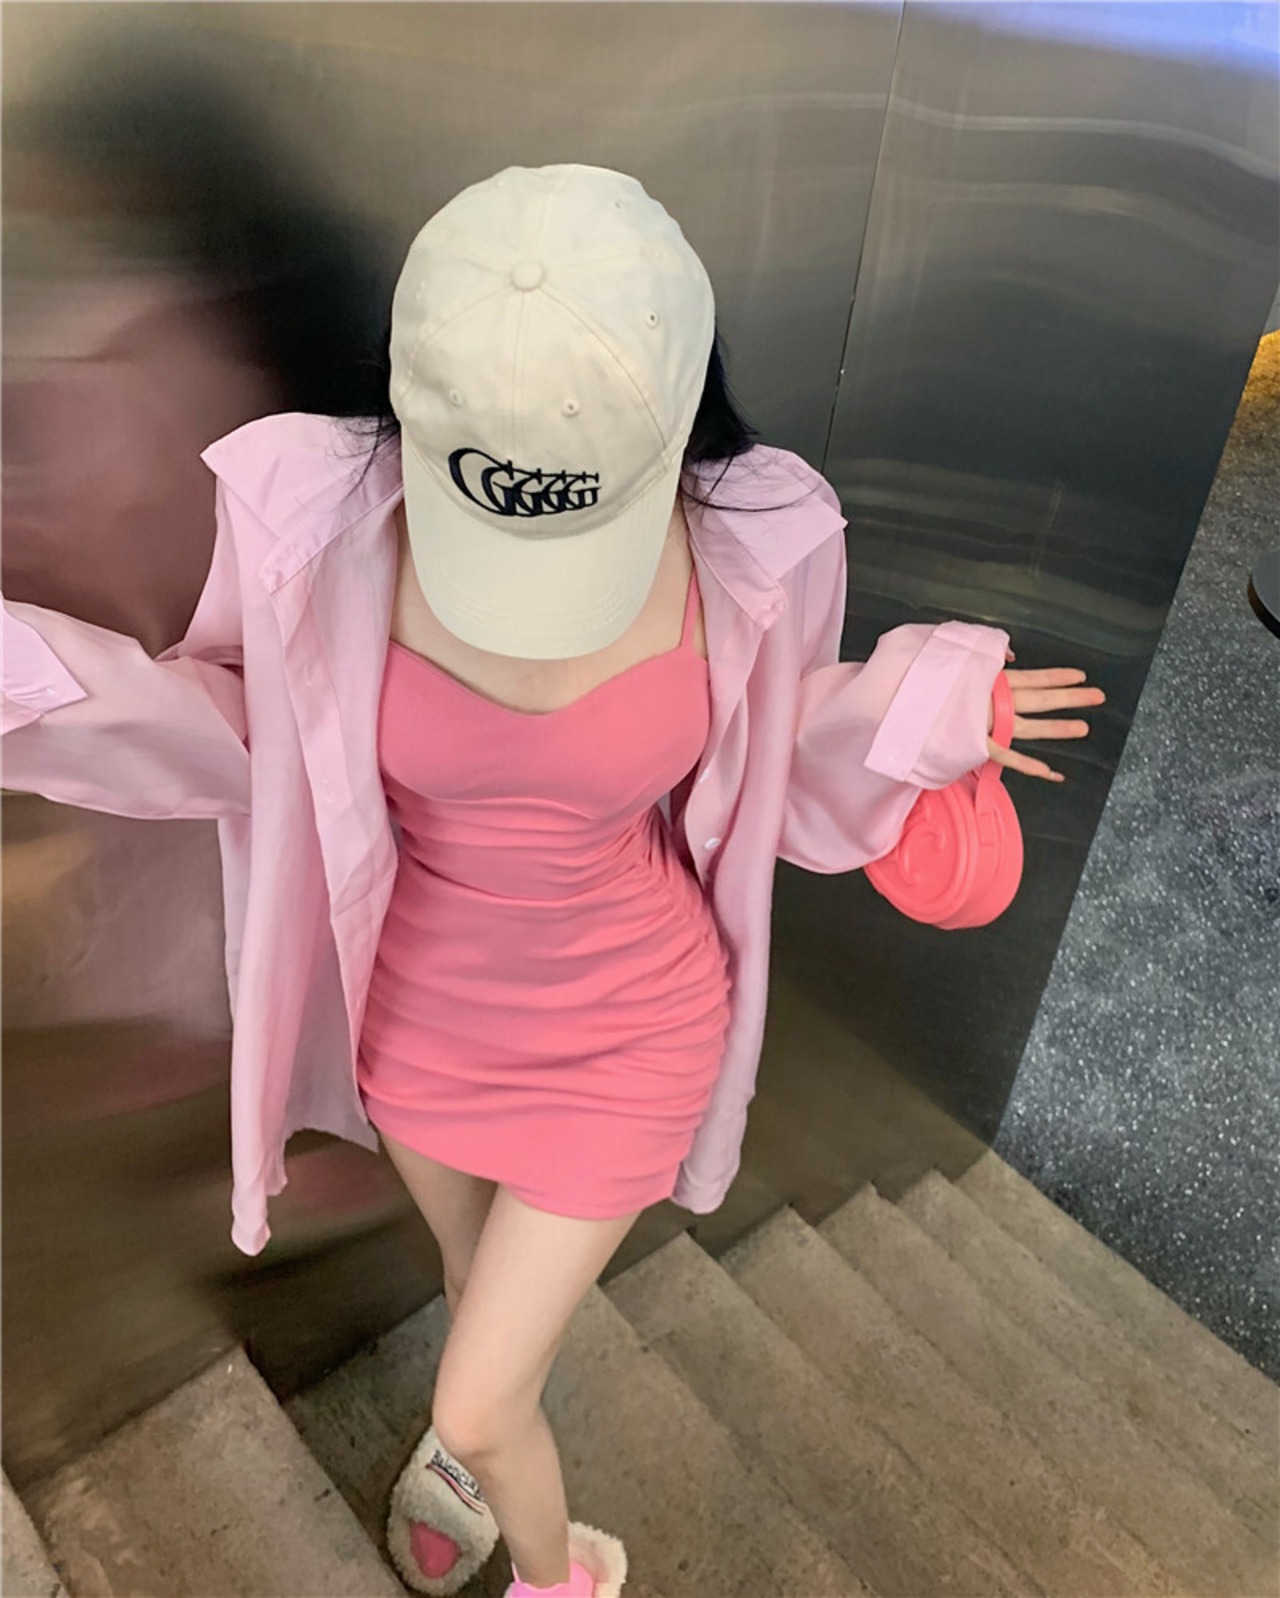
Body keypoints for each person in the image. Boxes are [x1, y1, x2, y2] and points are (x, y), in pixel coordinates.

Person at [1, 164, 1104, 1598]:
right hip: (421, 1025)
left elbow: (777, 742)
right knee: (480, 1300)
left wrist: (926, 704)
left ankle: (557, 1569)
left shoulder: (736, 543)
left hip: (631, 1027)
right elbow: (233, 731)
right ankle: (493, 1435)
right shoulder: (329, 531)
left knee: (474, 1399)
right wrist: (28, 679)